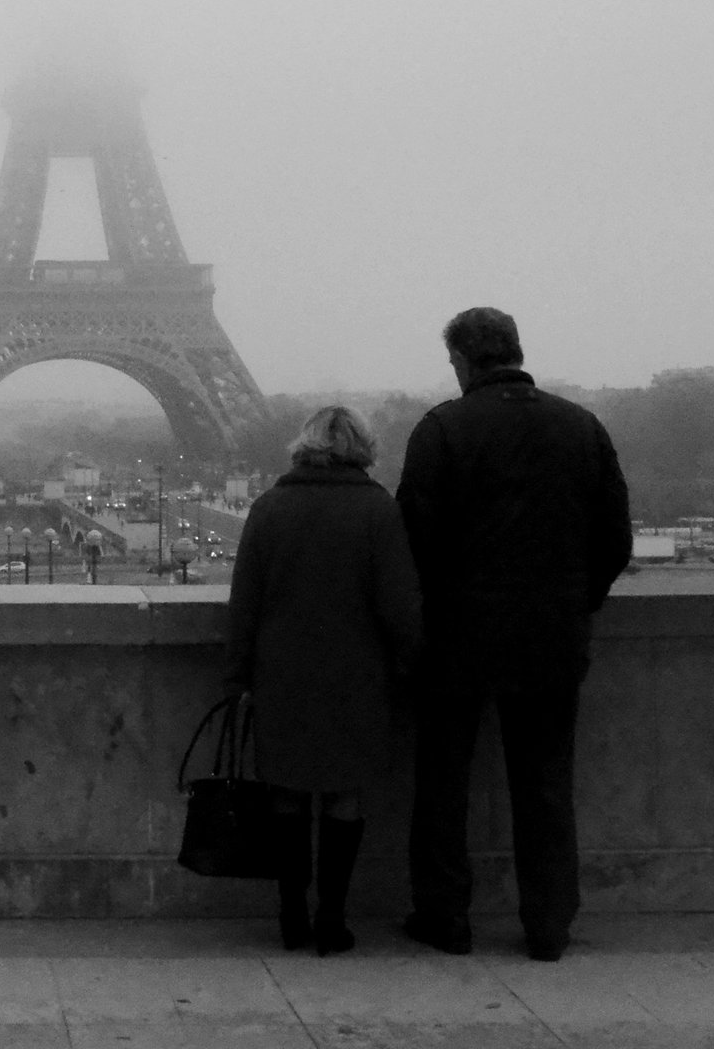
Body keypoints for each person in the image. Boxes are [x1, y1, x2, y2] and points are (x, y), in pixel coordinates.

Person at [396, 307, 632, 962]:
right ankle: (548, 924)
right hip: (552, 636)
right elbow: (615, 539)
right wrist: (573, 602)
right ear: (516, 351)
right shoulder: (581, 428)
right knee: (546, 784)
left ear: (464, 362)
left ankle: (446, 916)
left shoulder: (442, 430)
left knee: (443, 782)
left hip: (458, 636)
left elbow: (412, 541)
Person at [223, 405, 423, 955]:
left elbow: (245, 604)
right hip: (357, 674)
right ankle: (331, 917)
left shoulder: (269, 508)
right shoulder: (378, 511)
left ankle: (291, 913)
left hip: (283, 673)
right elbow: (399, 605)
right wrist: (412, 664)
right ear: (363, 448)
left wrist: (238, 674)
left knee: (286, 793)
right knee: (344, 795)